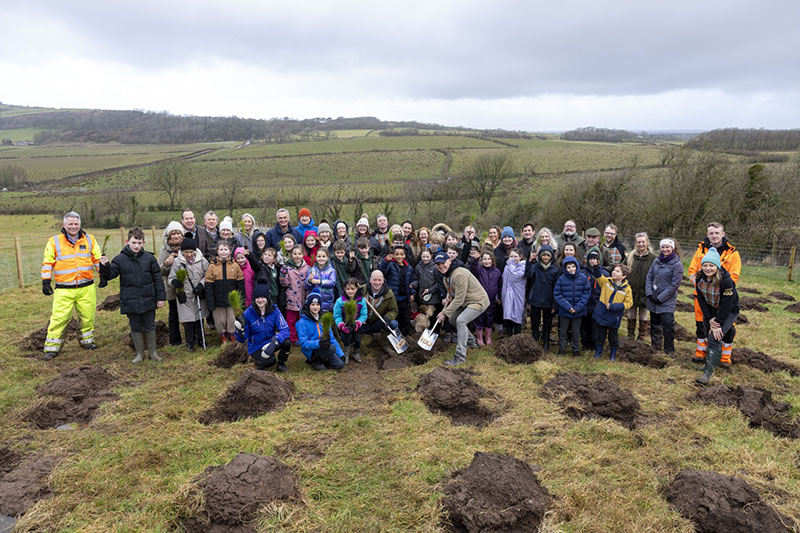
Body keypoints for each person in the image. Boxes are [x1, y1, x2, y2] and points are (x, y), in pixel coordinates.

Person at [40, 211, 102, 359]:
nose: (73, 227)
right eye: (70, 224)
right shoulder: (54, 241)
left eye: (76, 224)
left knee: (87, 316)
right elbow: (48, 262)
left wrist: (103, 276)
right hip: (64, 289)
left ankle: (87, 341)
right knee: (59, 318)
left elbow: (97, 259)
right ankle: (52, 348)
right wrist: (46, 281)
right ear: (64, 225)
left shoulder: (90, 240)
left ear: (80, 224)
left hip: (86, 287)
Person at [98, 227, 166, 363]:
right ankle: (139, 354)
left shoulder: (150, 258)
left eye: (139, 243)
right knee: (135, 327)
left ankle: (153, 353)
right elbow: (110, 275)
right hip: (130, 300)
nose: (136, 246)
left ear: (144, 242)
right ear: (127, 241)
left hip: (148, 298)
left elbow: (158, 279)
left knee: (150, 326)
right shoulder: (119, 259)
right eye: (134, 242)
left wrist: (161, 298)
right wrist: (104, 266)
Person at [688, 222, 741, 367]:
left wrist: (719, 286)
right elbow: (692, 270)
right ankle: (701, 352)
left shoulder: (732, 253)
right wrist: (701, 285)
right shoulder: (700, 250)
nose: (714, 236)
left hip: (724, 297)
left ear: (723, 234)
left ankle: (725, 356)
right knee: (701, 323)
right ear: (707, 235)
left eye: (717, 233)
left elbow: (734, 275)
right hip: (702, 295)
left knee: (726, 327)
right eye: (711, 233)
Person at [694, 248, 739, 385]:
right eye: (705, 265)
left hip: (728, 311)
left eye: (711, 265)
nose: (708, 268)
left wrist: (718, 322)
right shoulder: (699, 278)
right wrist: (709, 319)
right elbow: (701, 299)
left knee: (715, 336)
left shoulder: (726, 282)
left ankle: (707, 373)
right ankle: (710, 363)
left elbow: (727, 305)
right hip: (711, 309)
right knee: (708, 333)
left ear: (717, 266)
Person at [436, 251, 489, 366]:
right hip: (467, 302)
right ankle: (472, 342)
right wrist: (450, 296)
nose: (441, 266)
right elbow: (454, 294)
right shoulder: (446, 277)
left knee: (461, 320)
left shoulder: (459, 274)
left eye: (443, 263)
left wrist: (444, 313)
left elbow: (459, 299)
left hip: (478, 301)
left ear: (449, 261)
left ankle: (460, 356)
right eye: (438, 264)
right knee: (453, 320)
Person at [234, 283, 291, 372]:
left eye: (263, 297)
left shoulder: (274, 310)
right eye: (257, 297)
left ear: (267, 298)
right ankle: (260, 362)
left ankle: (281, 363)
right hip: (256, 346)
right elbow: (242, 339)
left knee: (286, 342)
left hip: (271, 342)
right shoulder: (248, 313)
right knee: (269, 362)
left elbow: (285, 329)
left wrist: (275, 341)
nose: (260, 300)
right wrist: (240, 332)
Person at [167, 237, 209, 351]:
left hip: (198, 294)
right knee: (187, 319)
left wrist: (201, 285)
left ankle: (201, 339)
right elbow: (170, 278)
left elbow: (207, 274)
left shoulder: (202, 261)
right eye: (186, 252)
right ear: (182, 252)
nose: (189, 255)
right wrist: (174, 282)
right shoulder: (177, 262)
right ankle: (190, 342)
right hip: (184, 295)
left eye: (191, 252)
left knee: (199, 318)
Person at [646, 239, 684, 358]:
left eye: (668, 247)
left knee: (668, 326)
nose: (665, 249)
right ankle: (655, 346)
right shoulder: (656, 261)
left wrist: (661, 298)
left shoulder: (677, 265)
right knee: (654, 324)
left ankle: (669, 350)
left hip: (666, 301)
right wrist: (650, 293)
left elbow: (674, 285)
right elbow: (649, 277)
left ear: (672, 248)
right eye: (663, 247)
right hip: (653, 299)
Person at [205, 241, 245, 343]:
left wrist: (240, 298)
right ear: (217, 251)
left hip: (231, 299)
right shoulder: (212, 266)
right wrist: (210, 301)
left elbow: (240, 284)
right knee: (220, 319)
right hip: (217, 299)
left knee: (231, 318)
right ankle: (222, 334)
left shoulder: (235, 266)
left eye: (225, 249)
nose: (223, 252)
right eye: (221, 249)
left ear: (230, 251)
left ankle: (232, 334)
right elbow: (208, 285)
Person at [592, 264, 633, 361]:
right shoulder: (606, 281)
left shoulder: (627, 289)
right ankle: (598, 352)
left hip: (614, 317)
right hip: (602, 314)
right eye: (614, 270)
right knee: (600, 335)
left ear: (623, 276)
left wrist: (614, 307)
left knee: (613, 337)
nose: (614, 272)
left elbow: (629, 303)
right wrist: (596, 268)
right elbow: (598, 276)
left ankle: (613, 354)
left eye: (618, 271)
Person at [553, 256, 591, 357]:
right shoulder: (561, 279)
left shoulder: (583, 278)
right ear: (565, 268)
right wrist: (568, 307)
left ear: (577, 266)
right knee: (563, 330)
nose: (571, 269)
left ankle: (575, 349)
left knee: (576, 331)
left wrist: (578, 307)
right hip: (565, 310)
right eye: (568, 267)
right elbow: (557, 294)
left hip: (578, 311)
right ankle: (562, 349)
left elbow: (586, 293)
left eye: (573, 266)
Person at [297, 293, 346, 370]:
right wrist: (318, 343)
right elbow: (303, 343)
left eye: (317, 305)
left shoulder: (323, 320)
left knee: (340, 365)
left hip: (325, 348)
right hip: (312, 350)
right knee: (332, 348)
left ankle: (323, 359)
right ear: (308, 305)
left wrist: (341, 354)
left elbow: (332, 339)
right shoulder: (302, 322)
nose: (315, 307)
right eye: (312, 304)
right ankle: (316, 361)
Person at [526, 245, 559, 351]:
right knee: (534, 321)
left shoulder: (554, 270)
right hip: (535, 299)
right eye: (543, 255)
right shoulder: (535, 267)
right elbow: (528, 275)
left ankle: (546, 342)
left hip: (548, 300)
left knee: (547, 323)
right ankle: (535, 339)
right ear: (540, 256)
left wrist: (554, 304)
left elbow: (556, 288)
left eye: (548, 255)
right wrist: (529, 262)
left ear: (551, 257)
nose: (545, 257)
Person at [158, 221, 185, 346]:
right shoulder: (165, 250)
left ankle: (191, 336)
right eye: (173, 234)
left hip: (186, 285)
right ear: (169, 236)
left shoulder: (187, 246)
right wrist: (166, 264)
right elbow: (159, 271)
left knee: (188, 310)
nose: (176, 236)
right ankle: (175, 340)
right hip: (171, 286)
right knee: (173, 313)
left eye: (178, 233)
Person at [360, 270, 400, 355]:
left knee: (393, 324)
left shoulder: (389, 293)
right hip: (362, 322)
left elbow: (394, 310)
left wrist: (388, 317)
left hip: (377, 323)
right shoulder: (362, 290)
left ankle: (385, 345)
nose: (377, 283)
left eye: (379, 280)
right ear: (370, 280)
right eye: (374, 280)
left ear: (383, 281)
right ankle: (355, 347)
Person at [625, 232, 656, 340]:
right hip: (632, 290)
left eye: (643, 242)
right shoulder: (630, 257)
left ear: (647, 242)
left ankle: (641, 336)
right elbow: (623, 269)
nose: (641, 244)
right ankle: (630, 335)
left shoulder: (653, 259)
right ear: (636, 243)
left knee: (643, 315)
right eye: (639, 242)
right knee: (631, 314)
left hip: (645, 291)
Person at [379, 244, 415, 335]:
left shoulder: (409, 268)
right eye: (397, 254)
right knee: (395, 319)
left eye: (401, 254)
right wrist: (385, 261)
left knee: (405, 319)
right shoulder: (390, 265)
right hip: (394, 298)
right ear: (393, 255)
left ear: (405, 255)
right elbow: (381, 271)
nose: (399, 256)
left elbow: (411, 282)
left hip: (405, 298)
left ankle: (405, 336)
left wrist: (412, 293)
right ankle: (395, 336)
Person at [333, 278, 368, 362]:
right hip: (345, 324)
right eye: (348, 289)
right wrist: (341, 325)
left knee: (358, 339)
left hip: (357, 324)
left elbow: (364, 315)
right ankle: (346, 352)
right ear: (344, 289)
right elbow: (337, 316)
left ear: (357, 288)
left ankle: (356, 352)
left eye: (352, 289)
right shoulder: (340, 301)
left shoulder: (361, 300)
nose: (350, 291)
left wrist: (358, 322)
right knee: (347, 337)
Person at [580, 247, 608, 350]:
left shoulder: (604, 274)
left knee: (595, 326)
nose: (593, 261)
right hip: (585, 303)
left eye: (595, 259)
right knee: (584, 325)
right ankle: (585, 343)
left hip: (597, 304)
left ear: (599, 260)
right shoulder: (582, 272)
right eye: (591, 259)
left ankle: (594, 343)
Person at [280, 246, 310, 343]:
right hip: (291, 299)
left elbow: (309, 284)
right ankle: (293, 337)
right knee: (291, 320)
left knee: (302, 320)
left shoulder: (307, 268)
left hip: (302, 299)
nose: (297, 256)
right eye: (295, 254)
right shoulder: (287, 267)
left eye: (299, 254)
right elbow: (284, 284)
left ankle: (302, 337)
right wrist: (283, 275)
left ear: (303, 255)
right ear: (291, 255)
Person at [501, 248, 526, 336]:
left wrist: (510, 264)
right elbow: (504, 280)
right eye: (511, 256)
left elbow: (515, 277)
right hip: (507, 294)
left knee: (517, 315)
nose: (513, 258)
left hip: (517, 294)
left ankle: (517, 336)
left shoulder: (523, 267)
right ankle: (509, 337)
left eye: (515, 256)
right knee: (508, 316)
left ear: (520, 257)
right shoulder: (506, 267)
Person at [306, 247, 337, 313]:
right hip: (315, 301)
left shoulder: (331, 270)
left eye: (323, 256)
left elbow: (332, 282)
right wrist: (309, 281)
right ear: (316, 257)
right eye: (319, 256)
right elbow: (307, 286)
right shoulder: (312, 270)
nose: (321, 258)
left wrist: (319, 282)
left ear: (327, 257)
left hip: (327, 300)